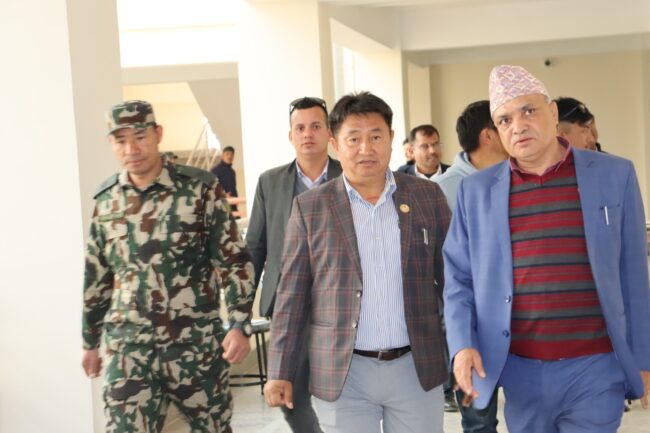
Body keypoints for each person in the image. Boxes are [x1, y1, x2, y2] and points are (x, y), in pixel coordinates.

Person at [443, 65, 650, 433]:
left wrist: (644, 357)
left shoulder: (614, 174)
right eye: (505, 120)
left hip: (596, 365)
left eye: (529, 111)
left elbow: (633, 273)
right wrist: (462, 344)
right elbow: (459, 278)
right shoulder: (477, 192)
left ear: (553, 113)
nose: (518, 126)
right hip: (521, 370)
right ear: (496, 132)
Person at [264, 92, 451, 433]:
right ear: (336, 144)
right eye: (354, 139)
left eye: (376, 137)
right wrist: (279, 370)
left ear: (391, 139)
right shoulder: (311, 208)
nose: (366, 149)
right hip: (344, 373)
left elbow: (454, 280)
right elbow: (291, 296)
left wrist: (466, 348)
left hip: (416, 367)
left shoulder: (427, 197)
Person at [81, 100, 255, 433]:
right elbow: (96, 276)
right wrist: (89, 342)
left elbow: (233, 261)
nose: (131, 149)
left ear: (158, 134)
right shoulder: (106, 201)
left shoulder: (200, 189)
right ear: (111, 144)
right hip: (128, 350)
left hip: (194, 346)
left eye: (140, 137)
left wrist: (239, 323)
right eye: (121, 140)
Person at [246, 96, 343, 432]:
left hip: (341, 305)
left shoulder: (350, 176)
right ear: (290, 136)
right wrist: (240, 313)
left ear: (329, 132)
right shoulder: (270, 182)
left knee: (346, 396)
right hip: (288, 307)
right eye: (299, 128)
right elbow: (255, 247)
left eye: (315, 126)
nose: (307, 134)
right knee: (290, 397)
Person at [434, 100, 508, 433]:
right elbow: (444, 267)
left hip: (515, 319)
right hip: (469, 324)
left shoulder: (516, 179)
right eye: (503, 123)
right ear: (488, 135)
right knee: (479, 419)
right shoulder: (445, 190)